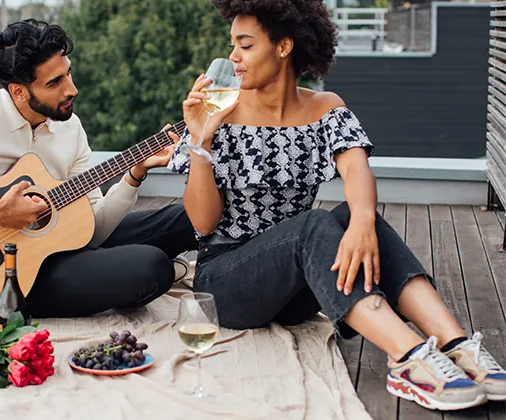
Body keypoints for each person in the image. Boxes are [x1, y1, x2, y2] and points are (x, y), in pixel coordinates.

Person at [168, 0, 506, 411]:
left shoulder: (325, 108)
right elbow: (202, 222)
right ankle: (409, 356)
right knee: (315, 224)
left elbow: (357, 169)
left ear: (283, 47)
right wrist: (201, 139)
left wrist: (363, 221)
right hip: (227, 283)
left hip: (296, 288)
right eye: (232, 45)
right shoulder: (219, 112)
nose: (233, 58)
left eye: (245, 45)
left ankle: (456, 344)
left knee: (358, 219)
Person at [0, 19, 197, 319]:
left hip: (61, 246)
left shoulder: (70, 127)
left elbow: (93, 230)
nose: (71, 90)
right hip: (9, 276)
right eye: (55, 82)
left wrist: (134, 173)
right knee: (151, 267)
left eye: (68, 73)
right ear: (18, 90)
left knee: (188, 217)